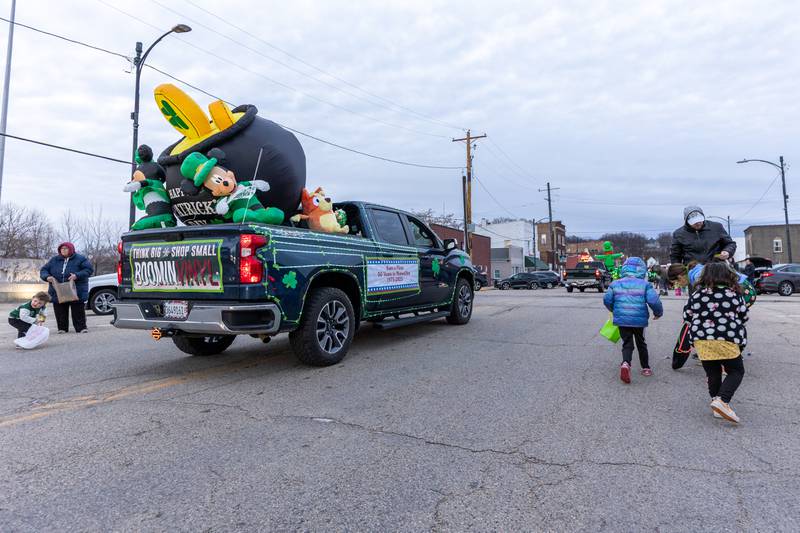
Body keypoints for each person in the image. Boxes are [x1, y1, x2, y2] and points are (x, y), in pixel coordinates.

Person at [683, 262, 748, 423]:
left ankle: (716, 403)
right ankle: (723, 400)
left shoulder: (697, 294)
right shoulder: (734, 294)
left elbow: (687, 315)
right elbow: (744, 316)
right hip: (726, 338)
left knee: (713, 372)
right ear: (728, 275)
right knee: (736, 371)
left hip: (701, 339)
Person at [603, 257, 664, 383]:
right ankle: (646, 368)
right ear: (642, 270)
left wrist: (613, 309)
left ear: (624, 269)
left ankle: (626, 363)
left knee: (627, 343)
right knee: (641, 342)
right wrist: (658, 313)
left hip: (622, 319)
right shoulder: (645, 285)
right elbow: (654, 300)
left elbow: (607, 299)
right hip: (639, 320)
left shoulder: (615, 284)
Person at [39, 242, 93, 333]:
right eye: (61, 249)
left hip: (76, 289)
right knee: (60, 309)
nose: (63, 250)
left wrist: (77, 275)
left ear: (71, 249)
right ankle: (62, 328)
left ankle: (81, 328)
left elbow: (88, 270)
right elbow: (44, 270)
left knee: (78, 309)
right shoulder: (54, 260)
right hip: (58, 289)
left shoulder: (81, 259)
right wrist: (47, 277)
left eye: (65, 248)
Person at [670, 206, 736, 265]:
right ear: (687, 221)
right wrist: (678, 272)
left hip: (716, 268)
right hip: (693, 270)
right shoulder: (679, 234)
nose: (698, 224)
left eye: (700, 221)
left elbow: (730, 244)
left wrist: (727, 251)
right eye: (694, 222)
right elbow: (675, 256)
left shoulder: (716, 227)